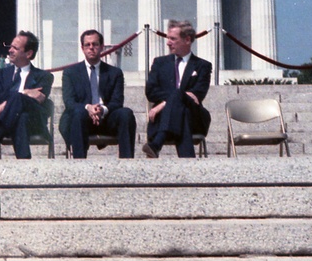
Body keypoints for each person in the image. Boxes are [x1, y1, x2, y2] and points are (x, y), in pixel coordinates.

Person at [59, 29, 136, 158]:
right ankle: (79, 163)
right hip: (82, 119)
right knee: (78, 112)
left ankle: (127, 163)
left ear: (101, 47)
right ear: (82, 48)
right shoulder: (70, 73)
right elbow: (69, 102)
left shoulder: (114, 73)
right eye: (87, 45)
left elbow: (117, 102)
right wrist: (88, 108)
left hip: (107, 119)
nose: (91, 48)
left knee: (126, 113)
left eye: (95, 44)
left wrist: (102, 109)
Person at [0, 30, 54, 159]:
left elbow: (41, 99)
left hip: (35, 124)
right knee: (21, 116)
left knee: (19, 100)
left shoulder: (44, 76)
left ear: (29, 53)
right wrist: (26, 93)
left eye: (15, 48)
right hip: (12, 120)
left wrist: (7, 103)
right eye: (10, 46)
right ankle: (24, 164)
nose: (10, 50)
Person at [143, 19, 211, 159]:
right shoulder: (159, 63)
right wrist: (177, 97)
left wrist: (163, 104)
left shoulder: (202, 66)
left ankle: (157, 143)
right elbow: (151, 92)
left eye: (173, 39)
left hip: (195, 118)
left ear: (187, 40)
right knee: (182, 112)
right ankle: (189, 167)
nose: (168, 42)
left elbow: (198, 94)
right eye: (168, 38)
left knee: (182, 101)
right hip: (169, 119)